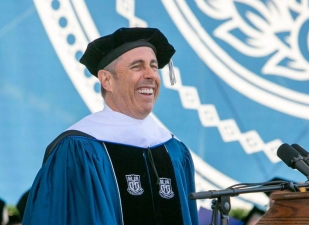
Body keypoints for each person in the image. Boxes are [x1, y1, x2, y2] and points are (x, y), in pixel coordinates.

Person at [22, 27, 199, 225]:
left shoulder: (172, 150)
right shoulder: (78, 150)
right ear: (107, 80)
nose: (151, 75)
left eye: (154, 66)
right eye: (137, 66)